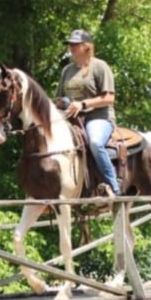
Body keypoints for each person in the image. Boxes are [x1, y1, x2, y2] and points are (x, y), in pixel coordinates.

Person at [55, 29, 121, 197]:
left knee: (95, 142)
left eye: (75, 44)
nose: (71, 47)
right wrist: (62, 103)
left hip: (98, 117)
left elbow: (109, 98)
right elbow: (58, 98)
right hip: (71, 118)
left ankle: (113, 187)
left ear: (86, 46)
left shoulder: (99, 66)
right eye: (70, 44)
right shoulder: (67, 70)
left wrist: (83, 104)